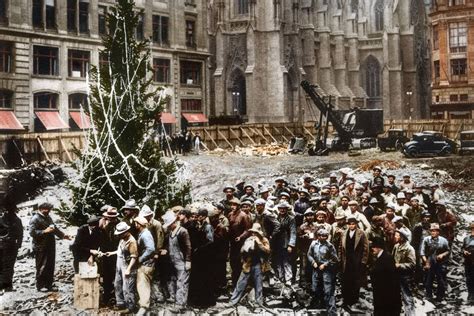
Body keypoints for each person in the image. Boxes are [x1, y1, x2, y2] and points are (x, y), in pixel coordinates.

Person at [29, 202, 71, 292]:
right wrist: (44, 231)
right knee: (41, 266)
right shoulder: (35, 219)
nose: (48, 211)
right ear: (41, 209)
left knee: (50, 265)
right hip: (40, 246)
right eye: (46, 209)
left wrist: (63, 236)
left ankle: (49, 284)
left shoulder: (48, 217)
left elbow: (54, 228)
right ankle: (40, 286)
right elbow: (32, 233)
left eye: (49, 209)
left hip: (50, 245)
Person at [229, 223, 271, 306]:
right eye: (252, 232)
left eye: (255, 233)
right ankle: (233, 301)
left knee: (258, 285)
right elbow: (242, 251)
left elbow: (268, 251)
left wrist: (259, 244)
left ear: (259, 233)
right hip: (248, 264)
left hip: (259, 264)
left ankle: (259, 302)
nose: (254, 234)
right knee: (241, 283)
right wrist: (246, 248)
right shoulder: (248, 239)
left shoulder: (264, 240)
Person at [162, 210, 192, 313]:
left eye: (170, 224)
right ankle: (177, 300)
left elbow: (188, 247)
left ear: (174, 222)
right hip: (173, 260)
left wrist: (188, 261)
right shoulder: (170, 232)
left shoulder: (183, 231)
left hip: (182, 261)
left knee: (182, 283)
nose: (169, 226)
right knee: (174, 281)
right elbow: (170, 245)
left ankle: (181, 305)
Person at [106, 222, 138, 313]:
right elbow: (120, 251)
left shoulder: (132, 241)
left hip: (127, 265)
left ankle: (130, 307)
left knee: (127, 288)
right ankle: (120, 303)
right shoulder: (122, 239)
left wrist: (128, 269)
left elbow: (134, 257)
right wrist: (112, 253)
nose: (119, 235)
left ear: (126, 232)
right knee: (117, 284)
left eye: (121, 233)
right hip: (119, 263)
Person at [188, 209, 215, 308]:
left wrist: (199, 248)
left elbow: (210, 241)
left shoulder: (207, 226)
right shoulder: (200, 225)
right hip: (200, 256)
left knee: (205, 277)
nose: (197, 217)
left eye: (199, 216)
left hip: (206, 256)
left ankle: (206, 301)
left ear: (203, 216)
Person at [340, 215, 369, 308]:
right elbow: (340, 247)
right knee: (345, 279)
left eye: (353, 224)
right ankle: (346, 298)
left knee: (355, 279)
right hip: (346, 260)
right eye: (350, 224)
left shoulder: (361, 233)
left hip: (357, 260)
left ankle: (354, 298)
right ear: (348, 225)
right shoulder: (344, 233)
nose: (351, 226)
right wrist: (340, 258)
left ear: (356, 224)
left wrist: (364, 261)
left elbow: (366, 248)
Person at [307, 228, 338, 315]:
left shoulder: (330, 246)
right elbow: (309, 255)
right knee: (315, 287)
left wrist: (325, 264)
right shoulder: (313, 244)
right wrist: (313, 262)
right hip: (316, 268)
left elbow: (335, 259)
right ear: (318, 236)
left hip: (327, 270)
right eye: (321, 236)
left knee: (328, 290)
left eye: (325, 236)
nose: (323, 238)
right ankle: (319, 305)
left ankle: (331, 310)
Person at [370, 237, 401, 316]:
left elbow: (392, 279)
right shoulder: (379, 257)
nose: (372, 249)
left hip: (387, 295)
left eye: (373, 247)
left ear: (379, 247)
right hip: (380, 293)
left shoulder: (387, 258)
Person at [420, 223, 450, 301]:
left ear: (438, 232)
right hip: (429, 261)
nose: (433, 232)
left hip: (440, 262)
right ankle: (429, 296)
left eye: (435, 231)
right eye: (431, 231)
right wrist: (426, 262)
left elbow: (448, 251)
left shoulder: (443, 240)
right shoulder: (426, 239)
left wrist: (442, 255)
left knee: (441, 280)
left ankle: (440, 296)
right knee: (428, 279)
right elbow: (422, 252)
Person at [134, 216, 156, 315]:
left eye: (136, 223)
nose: (135, 225)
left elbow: (151, 249)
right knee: (142, 285)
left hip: (146, 264)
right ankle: (143, 304)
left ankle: (144, 307)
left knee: (143, 285)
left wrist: (141, 259)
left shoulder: (145, 234)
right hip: (145, 263)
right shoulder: (143, 233)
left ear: (140, 224)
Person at [99, 207, 120, 305]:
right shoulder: (105, 225)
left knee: (116, 275)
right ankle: (106, 295)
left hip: (116, 254)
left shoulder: (120, 225)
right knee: (106, 275)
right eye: (109, 217)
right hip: (106, 254)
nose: (110, 219)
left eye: (112, 217)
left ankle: (116, 296)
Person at [0, 201, 23, 293]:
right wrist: (18, 245)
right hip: (8, 246)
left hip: (9, 246)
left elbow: (20, 234)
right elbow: (20, 234)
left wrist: (18, 245)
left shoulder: (15, 220)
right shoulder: (16, 220)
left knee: (5, 266)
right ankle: (6, 286)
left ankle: (6, 285)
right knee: (7, 266)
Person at [228, 198, 252, 286]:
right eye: (231, 205)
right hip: (233, 242)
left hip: (241, 243)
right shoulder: (230, 214)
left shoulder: (243, 216)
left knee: (241, 262)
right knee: (233, 262)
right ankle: (235, 282)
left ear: (238, 206)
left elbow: (247, 230)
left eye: (234, 205)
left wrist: (240, 237)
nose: (232, 207)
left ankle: (243, 283)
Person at [393, 230, 416, 316]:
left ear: (402, 237)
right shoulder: (396, 246)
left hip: (406, 277)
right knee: (396, 296)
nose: (395, 236)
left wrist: (399, 265)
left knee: (407, 297)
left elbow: (412, 264)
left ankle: (410, 314)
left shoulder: (409, 249)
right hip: (396, 275)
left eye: (397, 235)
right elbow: (393, 259)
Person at [275, 201, 296, 285]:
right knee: (278, 261)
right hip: (277, 242)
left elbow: (293, 232)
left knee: (286, 261)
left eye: (284, 208)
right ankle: (281, 277)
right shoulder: (276, 217)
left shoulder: (291, 218)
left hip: (286, 241)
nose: (282, 210)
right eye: (280, 208)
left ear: (287, 209)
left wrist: (291, 245)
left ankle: (288, 278)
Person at [463, 223, 474, 304]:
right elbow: (462, 248)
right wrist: (464, 251)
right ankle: (470, 295)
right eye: (472, 229)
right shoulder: (466, 239)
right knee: (469, 278)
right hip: (468, 261)